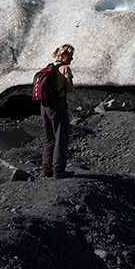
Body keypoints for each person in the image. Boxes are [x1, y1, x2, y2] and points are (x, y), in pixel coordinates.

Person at [41, 44, 75, 178]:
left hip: (44, 106)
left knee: (49, 138)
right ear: (63, 55)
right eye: (70, 56)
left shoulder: (49, 67)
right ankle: (58, 170)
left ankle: (46, 169)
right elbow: (70, 88)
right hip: (57, 105)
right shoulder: (65, 68)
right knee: (60, 137)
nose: (71, 59)